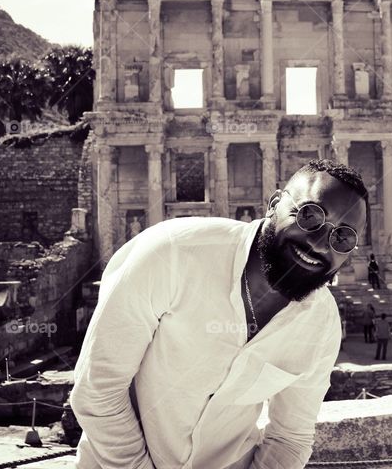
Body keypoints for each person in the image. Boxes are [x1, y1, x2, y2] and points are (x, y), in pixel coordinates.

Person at [71, 159, 368, 469]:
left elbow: (290, 437)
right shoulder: (173, 253)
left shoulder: (320, 324)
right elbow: (99, 389)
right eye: (310, 216)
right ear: (274, 203)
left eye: (343, 237)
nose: (320, 243)